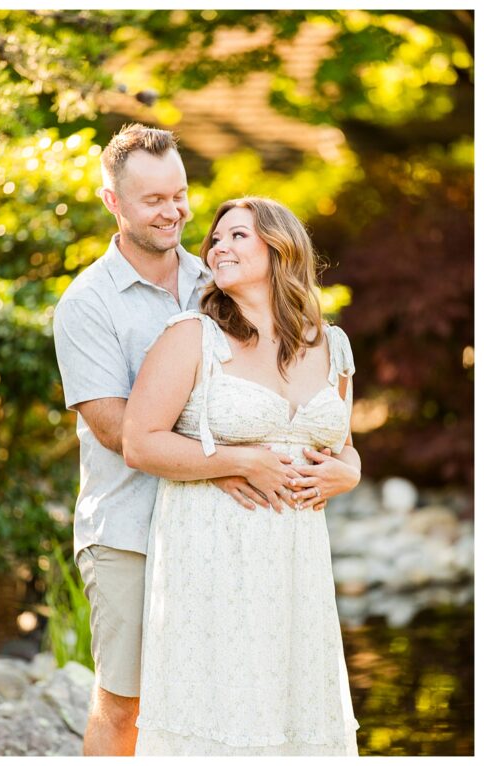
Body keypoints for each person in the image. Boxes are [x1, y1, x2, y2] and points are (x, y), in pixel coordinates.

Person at [53, 125, 298, 755]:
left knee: (209, 700)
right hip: (128, 530)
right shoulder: (88, 304)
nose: (174, 211)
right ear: (112, 201)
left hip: (218, 529)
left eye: (180, 194)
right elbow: (116, 431)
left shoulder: (219, 282)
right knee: (126, 703)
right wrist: (233, 460)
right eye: (153, 200)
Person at [123, 197, 361, 755]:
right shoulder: (192, 336)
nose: (217, 248)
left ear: (280, 249)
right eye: (216, 239)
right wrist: (238, 460)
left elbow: (345, 449)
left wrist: (346, 476)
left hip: (298, 566)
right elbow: (139, 441)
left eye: (237, 237)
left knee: (294, 712)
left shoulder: (333, 345)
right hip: (212, 559)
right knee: (220, 711)